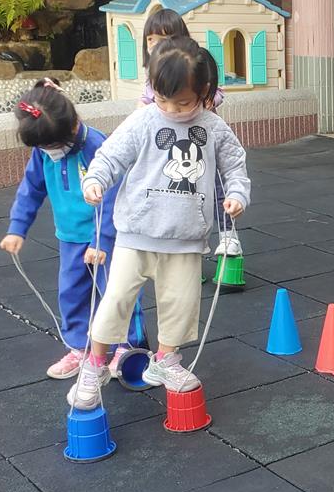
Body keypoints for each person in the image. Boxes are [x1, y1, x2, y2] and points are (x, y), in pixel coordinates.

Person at [67, 37, 251, 410]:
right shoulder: (145, 120)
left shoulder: (213, 128)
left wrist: (237, 195)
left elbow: (235, 165)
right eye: (163, 100)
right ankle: (95, 363)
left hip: (185, 237)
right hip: (135, 234)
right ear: (153, 89)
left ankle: (165, 360)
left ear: (204, 91)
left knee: (181, 304)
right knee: (116, 299)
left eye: (183, 102)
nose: (171, 109)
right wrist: (95, 180)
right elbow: (111, 155)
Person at [0, 78, 147, 380]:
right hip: (70, 238)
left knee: (118, 292)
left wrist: (101, 241)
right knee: (72, 294)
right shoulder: (43, 150)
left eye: (52, 147)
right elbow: (31, 189)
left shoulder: (98, 147)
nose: (49, 152)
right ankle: (80, 347)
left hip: (109, 238)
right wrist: (17, 228)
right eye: (42, 148)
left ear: (73, 126)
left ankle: (128, 345)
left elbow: (115, 197)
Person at [139, 8, 239, 258]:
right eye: (150, 39)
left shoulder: (193, 68)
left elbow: (216, 91)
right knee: (179, 190)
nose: (155, 45)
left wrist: (208, 100)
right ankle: (180, 242)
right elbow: (144, 102)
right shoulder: (153, 77)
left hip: (201, 142)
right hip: (173, 149)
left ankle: (228, 234)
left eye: (163, 39)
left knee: (216, 186)